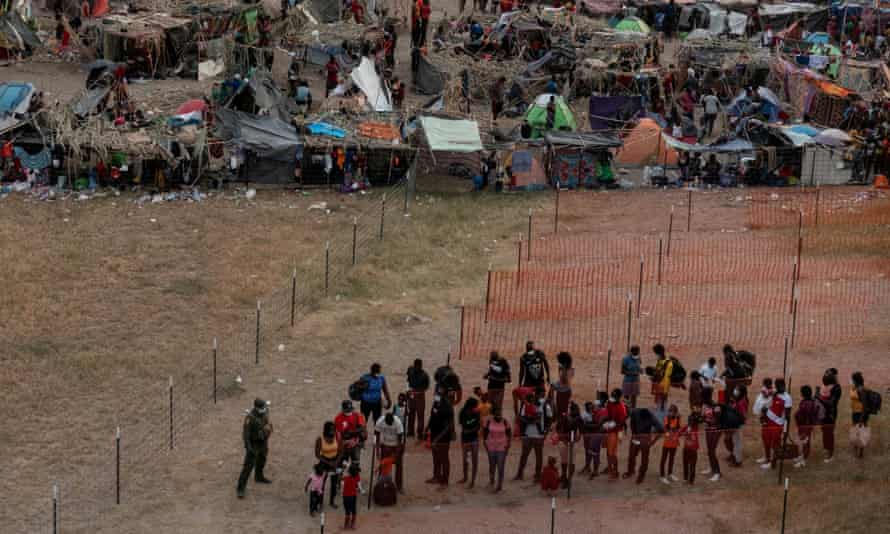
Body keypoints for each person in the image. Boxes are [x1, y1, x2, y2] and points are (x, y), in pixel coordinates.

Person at [236, 398, 274, 498]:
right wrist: (248, 448)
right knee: (248, 467)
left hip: (263, 441)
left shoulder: (265, 411)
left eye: (264, 407)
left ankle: (259, 476)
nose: (264, 409)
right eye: (262, 407)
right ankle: (240, 489)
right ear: (257, 408)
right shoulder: (250, 418)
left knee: (262, 459)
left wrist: (269, 430)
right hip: (254, 444)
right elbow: (246, 434)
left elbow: (268, 422)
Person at [515, 387, 552, 481]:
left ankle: (534, 475)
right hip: (531, 434)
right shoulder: (543, 405)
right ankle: (524, 474)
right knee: (530, 455)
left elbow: (549, 419)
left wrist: (545, 433)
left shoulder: (544, 405)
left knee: (533, 455)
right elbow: (522, 418)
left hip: (534, 434)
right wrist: (534, 420)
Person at [623, 407, 664, 484]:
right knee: (631, 455)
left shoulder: (652, 417)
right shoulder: (634, 412)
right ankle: (630, 471)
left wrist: (652, 442)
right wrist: (634, 434)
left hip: (645, 438)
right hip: (636, 435)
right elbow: (632, 423)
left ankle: (641, 475)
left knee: (644, 458)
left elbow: (661, 430)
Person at [762, 378, 792, 470]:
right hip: (768, 422)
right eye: (777, 386)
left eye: (780, 386)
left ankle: (773, 463)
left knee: (775, 445)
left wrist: (786, 430)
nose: (778, 387)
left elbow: (787, 416)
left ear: (784, 385)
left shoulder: (787, 398)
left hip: (777, 424)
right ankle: (767, 458)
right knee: (766, 440)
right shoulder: (775, 393)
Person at [426, 390, 455, 485]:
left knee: (444, 458)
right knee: (435, 458)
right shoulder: (436, 403)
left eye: (438, 394)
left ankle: (445, 480)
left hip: (443, 437)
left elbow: (448, 427)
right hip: (434, 434)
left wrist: (437, 439)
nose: (435, 396)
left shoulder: (447, 407)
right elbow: (432, 416)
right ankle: (436, 477)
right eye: (436, 394)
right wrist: (427, 428)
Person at [483, 406, 511, 492]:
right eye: (497, 412)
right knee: (492, 465)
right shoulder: (488, 422)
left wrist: (508, 446)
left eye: (500, 412)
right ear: (493, 413)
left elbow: (509, 434)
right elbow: (484, 434)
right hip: (491, 446)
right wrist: (485, 444)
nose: (499, 414)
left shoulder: (505, 421)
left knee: (500, 466)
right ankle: (492, 480)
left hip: (502, 446)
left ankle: (499, 485)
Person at [315, 421, 343, 508]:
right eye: (331, 432)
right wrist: (328, 463)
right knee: (321, 484)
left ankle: (332, 501)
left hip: (335, 461)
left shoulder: (338, 437)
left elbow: (341, 451)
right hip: (324, 461)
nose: (333, 433)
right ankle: (320, 503)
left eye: (334, 431)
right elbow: (317, 454)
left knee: (334, 484)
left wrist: (336, 462)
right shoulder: (320, 439)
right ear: (325, 432)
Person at [816, 368, 842, 462]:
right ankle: (826, 448)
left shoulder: (837, 388)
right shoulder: (824, 386)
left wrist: (818, 397)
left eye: (826, 377)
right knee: (824, 432)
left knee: (829, 433)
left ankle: (830, 455)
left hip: (830, 415)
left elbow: (831, 403)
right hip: (822, 414)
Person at [375, 412, 404, 490]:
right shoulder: (380, 422)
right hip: (385, 445)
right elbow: (377, 435)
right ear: (385, 420)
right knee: (383, 464)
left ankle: (399, 486)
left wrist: (396, 454)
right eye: (388, 423)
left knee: (399, 466)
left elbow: (400, 441)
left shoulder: (398, 423)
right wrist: (377, 450)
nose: (390, 424)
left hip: (396, 445)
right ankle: (381, 484)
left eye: (391, 423)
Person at [603, 388, 628, 481]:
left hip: (616, 431)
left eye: (614, 396)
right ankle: (611, 470)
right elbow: (608, 415)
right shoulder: (610, 403)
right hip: (609, 429)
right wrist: (606, 423)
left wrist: (613, 425)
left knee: (612, 453)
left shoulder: (621, 407)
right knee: (608, 452)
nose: (612, 398)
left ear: (618, 398)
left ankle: (614, 471)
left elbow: (621, 422)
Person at [792, 385, 820, 468]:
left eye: (801, 392)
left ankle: (803, 461)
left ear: (803, 393)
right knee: (803, 442)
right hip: (802, 425)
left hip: (805, 426)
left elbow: (808, 415)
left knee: (806, 443)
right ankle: (802, 456)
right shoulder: (806, 401)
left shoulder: (808, 403)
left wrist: (806, 429)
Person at [458, 397, 482, 488]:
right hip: (470, 438)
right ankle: (467, 478)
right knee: (467, 460)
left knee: (472, 460)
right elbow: (474, 426)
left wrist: (470, 428)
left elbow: (466, 426)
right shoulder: (467, 413)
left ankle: (471, 480)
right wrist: (473, 427)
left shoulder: (466, 412)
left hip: (468, 438)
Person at [335, 400, 367, 465]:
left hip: (356, 443)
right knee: (343, 464)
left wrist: (351, 433)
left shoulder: (357, 415)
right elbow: (339, 434)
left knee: (355, 463)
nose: (349, 412)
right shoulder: (338, 418)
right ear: (343, 410)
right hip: (344, 445)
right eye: (347, 411)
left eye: (350, 410)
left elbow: (362, 428)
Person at [580, 396, 605, 477]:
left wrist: (587, 425)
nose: (592, 408)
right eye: (591, 407)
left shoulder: (598, 413)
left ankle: (595, 470)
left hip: (595, 435)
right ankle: (588, 467)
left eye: (593, 407)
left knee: (594, 453)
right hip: (590, 435)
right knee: (589, 452)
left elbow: (597, 425)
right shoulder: (590, 414)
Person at [406, 359, 430, 440]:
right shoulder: (412, 371)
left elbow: (426, 387)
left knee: (419, 414)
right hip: (413, 394)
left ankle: (419, 432)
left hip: (419, 395)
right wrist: (408, 391)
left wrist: (416, 392)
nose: (417, 367)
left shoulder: (424, 375)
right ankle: (411, 431)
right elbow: (408, 381)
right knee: (411, 413)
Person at [724, 384, 748, 467]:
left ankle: (738, 461)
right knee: (732, 441)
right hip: (733, 424)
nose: (735, 391)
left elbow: (742, 415)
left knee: (737, 442)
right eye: (735, 389)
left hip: (736, 424)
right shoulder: (737, 400)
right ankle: (733, 456)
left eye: (737, 389)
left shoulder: (741, 402)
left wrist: (734, 410)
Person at [753, 378, 774, 465]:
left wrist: (770, 392)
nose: (768, 385)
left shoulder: (772, 390)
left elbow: (769, 395)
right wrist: (769, 393)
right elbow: (765, 395)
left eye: (769, 383)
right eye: (767, 384)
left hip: (768, 413)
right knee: (765, 438)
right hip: (763, 409)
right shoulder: (764, 389)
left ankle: (769, 457)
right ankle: (766, 456)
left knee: (769, 439)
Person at [850, 372, 870, 459]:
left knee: (861, 433)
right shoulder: (855, 387)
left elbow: (865, 405)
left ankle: (861, 453)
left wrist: (862, 418)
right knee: (855, 432)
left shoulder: (861, 389)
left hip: (861, 414)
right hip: (855, 413)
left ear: (855, 380)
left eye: (852, 379)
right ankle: (855, 451)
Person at [660, 404, 682, 484]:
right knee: (664, 458)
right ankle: (662, 475)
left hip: (674, 441)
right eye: (670, 411)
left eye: (673, 412)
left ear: (676, 412)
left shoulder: (678, 418)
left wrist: (677, 434)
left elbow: (679, 428)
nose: (672, 413)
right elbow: (665, 428)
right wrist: (668, 432)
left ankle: (670, 473)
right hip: (667, 441)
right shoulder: (667, 418)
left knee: (672, 458)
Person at [484, 351, 511, 415]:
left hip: (496, 385)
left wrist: (487, 375)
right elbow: (491, 370)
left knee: (494, 403)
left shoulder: (503, 361)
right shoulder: (492, 361)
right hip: (497, 385)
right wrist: (487, 375)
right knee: (496, 403)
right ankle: (496, 415)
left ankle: (495, 415)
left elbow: (507, 371)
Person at [679, 413, 700, 485]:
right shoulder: (686, 427)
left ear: (695, 422)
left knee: (692, 465)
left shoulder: (696, 428)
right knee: (685, 464)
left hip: (693, 450)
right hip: (686, 449)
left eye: (692, 420)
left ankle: (691, 480)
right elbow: (679, 433)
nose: (690, 422)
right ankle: (685, 479)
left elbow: (699, 419)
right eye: (689, 420)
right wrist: (683, 433)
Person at [652, 344, 673, 414]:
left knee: (659, 398)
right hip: (665, 382)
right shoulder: (668, 361)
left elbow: (658, 372)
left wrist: (654, 376)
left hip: (661, 382)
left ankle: (660, 410)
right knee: (663, 398)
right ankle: (662, 409)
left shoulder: (662, 361)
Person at [341, 463, 361, 530]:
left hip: (346, 497)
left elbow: (340, 481)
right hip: (353, 496)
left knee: (347, 511)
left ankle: (346, 525)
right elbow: (357, 486)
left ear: (349, 471)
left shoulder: (345, 478)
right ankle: (353, 525)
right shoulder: (357, 477)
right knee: (354, 510)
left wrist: (343, 470)